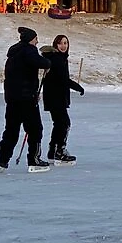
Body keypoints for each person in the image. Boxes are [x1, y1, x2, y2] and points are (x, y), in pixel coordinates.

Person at [0, 26, 52, 172]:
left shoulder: (13, 53)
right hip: (27, 99)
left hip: (12, 99)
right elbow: (43, 63)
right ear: (30, 40)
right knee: (35, 130)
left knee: (11, 131)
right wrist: (48, 62)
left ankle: (2, 161)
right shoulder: (28, 51)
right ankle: (34, 160)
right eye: (35, 39)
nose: (37, 41)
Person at [42, 34, 85, 163]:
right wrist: (78, 87)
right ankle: (59, 151)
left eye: (65, 43)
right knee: (64, 124)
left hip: (54, 96)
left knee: (59, 124)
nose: (63, 46)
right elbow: (63, 80)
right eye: (60, 43)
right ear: (55, 45)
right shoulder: (57, 59)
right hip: (56, 97)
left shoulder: (59, 58)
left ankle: (52, 151)